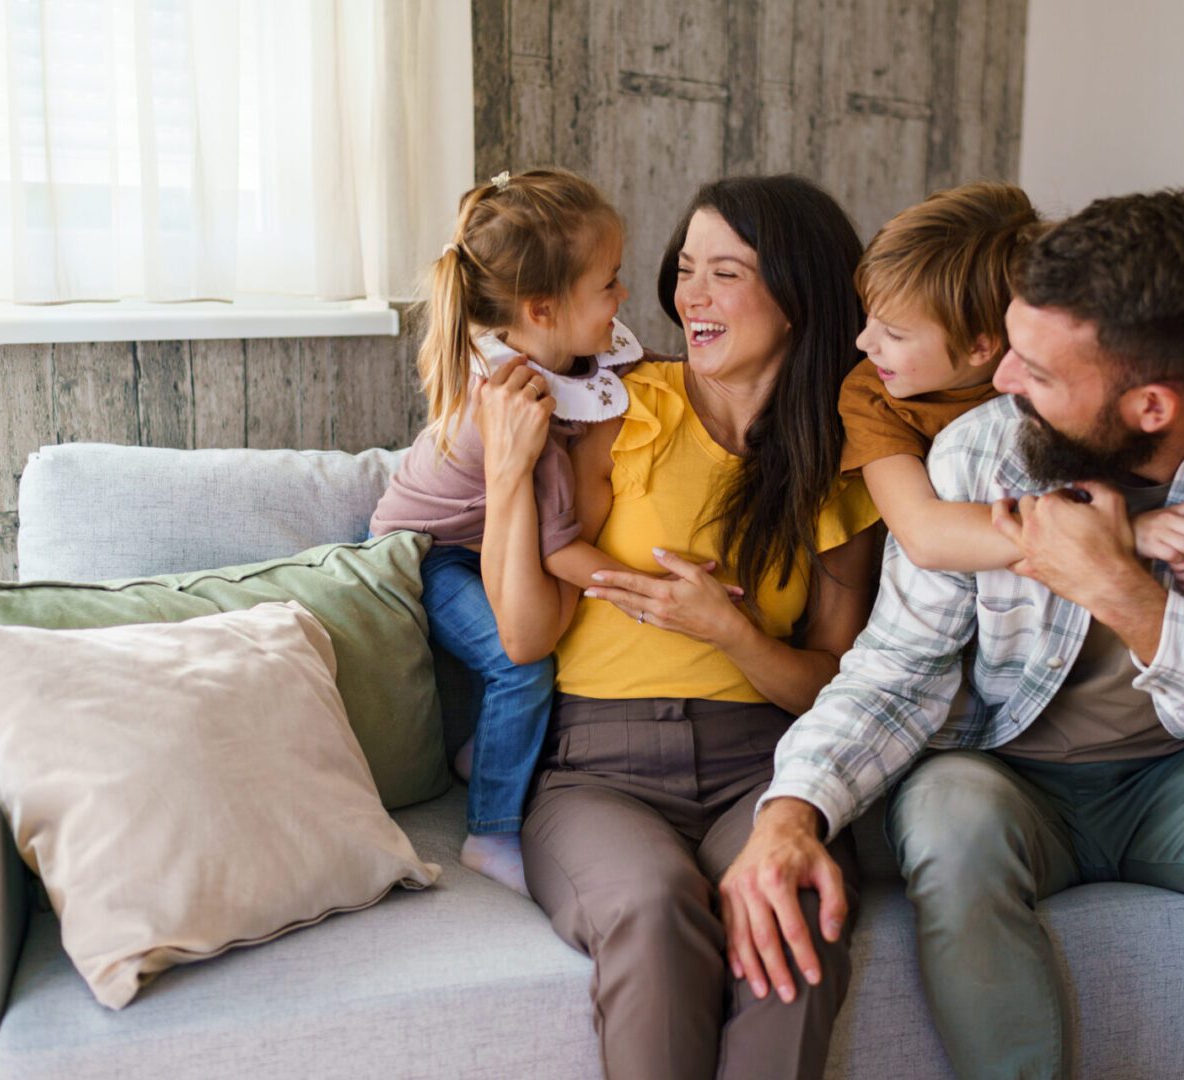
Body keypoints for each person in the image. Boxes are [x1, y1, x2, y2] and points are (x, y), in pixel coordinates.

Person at [724, 189, 1184, 1079]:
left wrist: (1129, 598)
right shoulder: (979, 448)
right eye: (1008, 349)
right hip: (1011, 777)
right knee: (947, 816)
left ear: (1152, 406)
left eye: (1037, 371)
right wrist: (792, 811)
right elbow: (896, 668)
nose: (1001, 382)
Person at [475, 174, 881, 1080]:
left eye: (725, 273)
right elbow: (525, 634)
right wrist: (507, 476)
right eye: (684, 269)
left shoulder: (841, 467)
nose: (689, 296)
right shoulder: (620, 410)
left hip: (767, 769)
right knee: (655, 906)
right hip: (598, 773)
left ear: (796, 295)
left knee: (792, 903)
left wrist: (730, 634)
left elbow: (839, 683)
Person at [369, 167, 642, 896]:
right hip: (423, 557)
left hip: (470, 535)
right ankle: (490, 833)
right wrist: (647, 589)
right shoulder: (518, 413)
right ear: (542, 309)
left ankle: (484, 752)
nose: (622, 298)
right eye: (609, 284)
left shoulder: (543, 362)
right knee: (521, 664)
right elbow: (558, 549)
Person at [841, 179, 1184, 597]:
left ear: (984, 344)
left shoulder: (1057, 333)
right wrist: (1129, 533)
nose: (863, 343)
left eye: (895, 334)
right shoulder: (874, 396)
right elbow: (924, 535)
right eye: (867, 318)